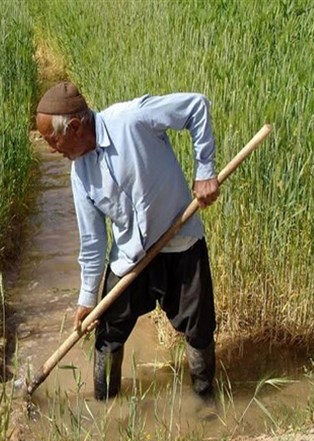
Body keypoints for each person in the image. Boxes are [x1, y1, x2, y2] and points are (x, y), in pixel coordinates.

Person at [36, 81, 220, 402]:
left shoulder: (133, 119)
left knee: (199, 329)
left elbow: (196, 106)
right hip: (130, 259)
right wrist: (87, 298)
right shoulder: (80, 174)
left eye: (53, 141)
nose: (53, 149)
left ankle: (206, 405)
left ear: (75, 127)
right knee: (107, 334)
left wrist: (205, 170)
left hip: (181, 242)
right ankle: (106, 408)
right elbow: (92, 242)